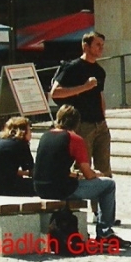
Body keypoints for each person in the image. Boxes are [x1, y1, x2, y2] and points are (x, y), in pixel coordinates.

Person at [34, 104, 129, 248]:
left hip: (40, 187)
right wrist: (96, 174)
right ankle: (105, 231)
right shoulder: (74, 139)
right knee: (108, 185)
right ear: (77, 122)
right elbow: (88, 174)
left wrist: (75, 175)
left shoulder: (46, 136)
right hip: (60, 190)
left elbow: (53, 167)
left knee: (97, 184)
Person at [50, 32, 111, 176]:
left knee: (104, 170)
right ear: (85, 46)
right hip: (81, 124)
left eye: (102, 45)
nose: (101, 48)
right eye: (97, 45)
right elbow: (55, 93)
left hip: (100, 124)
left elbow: (100, 96)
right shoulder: (71, 67)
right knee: (82, 168)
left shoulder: (100, 71)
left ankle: (105, 197)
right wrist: (84, 87)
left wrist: (104, 119)